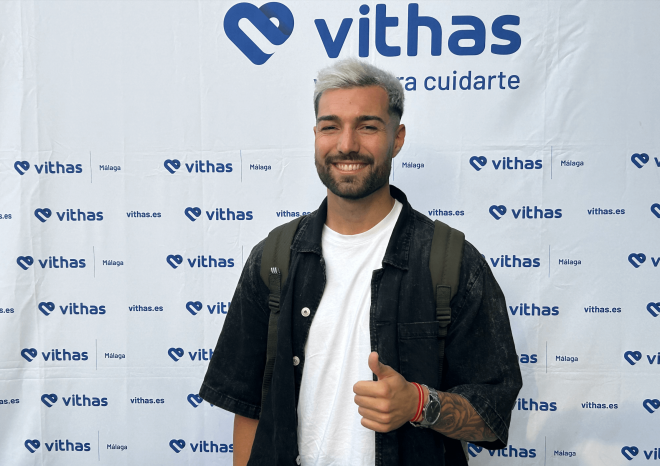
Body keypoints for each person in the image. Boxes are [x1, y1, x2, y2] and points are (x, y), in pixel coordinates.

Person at [199, 58, 522, 466]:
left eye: (367, 126)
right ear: (316, 135)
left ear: (397, 138)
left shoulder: (453, 263)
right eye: (331, 126)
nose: (346, 144)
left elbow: (492, 416)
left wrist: (420, 404)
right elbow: (246, 407)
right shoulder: (273, 258)